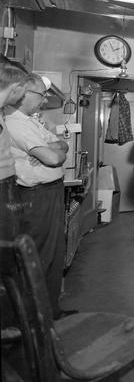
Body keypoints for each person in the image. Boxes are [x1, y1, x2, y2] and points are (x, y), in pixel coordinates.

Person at [5, 73, 69, 319]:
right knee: (41, 256)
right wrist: (54, 150)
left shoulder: (30, 120)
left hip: (49, 192)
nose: (44, 101)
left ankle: (51, 312)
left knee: (53, 253)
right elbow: (54, 157)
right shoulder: (15, 122)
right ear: (25, 94)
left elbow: (61, 145)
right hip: (36, 196)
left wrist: (54, 148)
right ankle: (36, 321)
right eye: (41, 96)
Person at [0, 62, 28, 340]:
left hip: (7, 187)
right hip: (1, 190)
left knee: (8, 258)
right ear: (17, 87)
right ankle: (6, 326)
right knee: (5, 259)